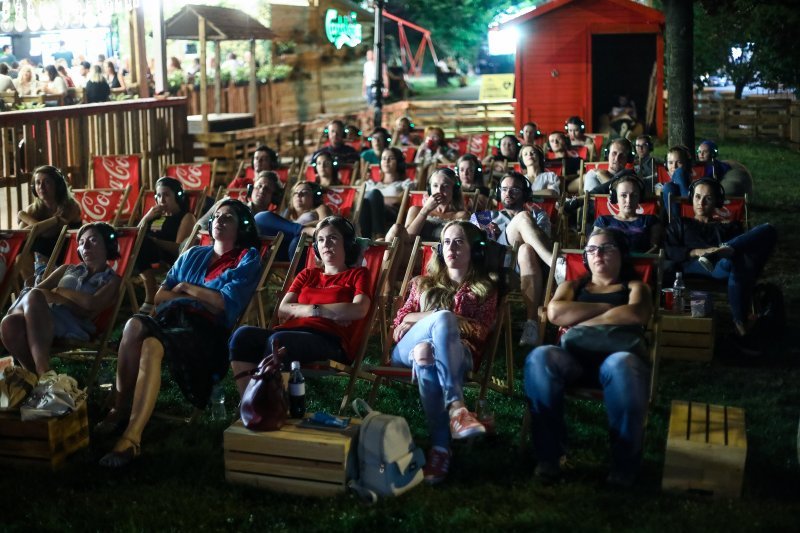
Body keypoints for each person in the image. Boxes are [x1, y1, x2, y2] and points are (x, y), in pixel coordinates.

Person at [98, 200, 261, 467]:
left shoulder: (247, 258)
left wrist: (186, 287)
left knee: (151, 345)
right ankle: (120, 407)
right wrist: (202, 295)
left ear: (241, 227)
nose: (218, 221)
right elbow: (160, 295)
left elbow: (223, 304)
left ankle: (131, 438)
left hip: (205, 332)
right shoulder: (193, 253)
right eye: (216, 216)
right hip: (172, 318)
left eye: (227, 218)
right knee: (133, 325)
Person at [524, 227, 653, 486]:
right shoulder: (572, 285)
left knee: (622, 364)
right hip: (574, 359)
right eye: (592, 249)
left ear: (621, 254)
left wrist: (582, 318)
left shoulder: (635, 286)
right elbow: (556, 313)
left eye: (607, 248)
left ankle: (623, 464)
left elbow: (636, 314)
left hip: (619, 358)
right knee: (540, 357)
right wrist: (609, 308)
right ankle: (549, 457)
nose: (598, 254)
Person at [391, 220, 497, 484]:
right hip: (405, 350)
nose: (451, 247)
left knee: (426, 351)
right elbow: (399, 325)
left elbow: (481, 332)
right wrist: (442, 318)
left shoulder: (485, 289)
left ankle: (440, 449)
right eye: (446, 242)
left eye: (460, 241)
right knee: (443, 320)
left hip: (458, 354)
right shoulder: (422, 283)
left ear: (475, 250)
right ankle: (457, 408)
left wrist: (425, 319)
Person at [229, 216, 370, 394]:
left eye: (333, 238)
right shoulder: (307, 274)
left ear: (348, 244)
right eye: (320, 239)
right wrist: (326, 311)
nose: (325, 244)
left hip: (329, 340)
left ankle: (272, 407)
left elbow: (359, 309)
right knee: (242, 335)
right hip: (289, 332)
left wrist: (303, 310)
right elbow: (283, 307)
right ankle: (249, 403)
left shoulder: (358, 275)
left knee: (278, 342)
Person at [0, 223, 122, 375]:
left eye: (93, 240)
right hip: (43, 316)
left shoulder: (112, 280)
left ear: (108, 245)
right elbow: (37, 290)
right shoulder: (67, 269)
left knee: (28, 303)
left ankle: (42, 371)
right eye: (82, 243)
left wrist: (58, 292)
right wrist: (63, 299)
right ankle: (38, 376)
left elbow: (91, 304)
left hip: (74, 325)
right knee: (9, 323)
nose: (86, 246)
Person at [664, 178, 776, 340]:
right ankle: (741, 325)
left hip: (723, 266)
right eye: (697, 197)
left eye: (708, 198)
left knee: (768, 230)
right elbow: (670, 251)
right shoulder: (680, 223)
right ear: (691, 198)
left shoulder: (728, 226)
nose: (701, 202)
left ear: (717, 201)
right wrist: (698, 251)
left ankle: (720, 252)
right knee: (740, 264)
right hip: (692, 265)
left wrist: (724, 248)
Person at [471, 172, 553, 346]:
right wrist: (482, 232)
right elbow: (470, 241)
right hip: (497, 265)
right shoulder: (486, 217)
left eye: (514, 189)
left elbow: (545, 242)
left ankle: (531, 324)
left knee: (526, 249)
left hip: (527, 264)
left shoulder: (539, 215)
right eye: (504, 189)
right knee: (522, 218)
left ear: (525, 193)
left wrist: (528, 225)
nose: (508, 193)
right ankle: (556, 265)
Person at [134, 177, 196, 314]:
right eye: (159, 195)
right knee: (136, 242)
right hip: (148, 253)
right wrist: (146, 218)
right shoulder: (155, 216)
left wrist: (154, 242)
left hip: (169, 259)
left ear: (178, 197)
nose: (162, 200)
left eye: (166, 195)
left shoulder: (186, 217)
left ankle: (151, 293)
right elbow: (134, 238)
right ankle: (150, 290)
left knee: (143, 243)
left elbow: (179, 249)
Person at [17, 165, 82, 281]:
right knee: (20, 252)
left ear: (58, 186)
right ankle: (32, 287)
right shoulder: (32, 210)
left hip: (66, 253)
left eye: (46, 182)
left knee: (34, 245)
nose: (41, 187)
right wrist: (54, 220)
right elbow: (22, 234)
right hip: (41, 257)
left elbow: (49, 233)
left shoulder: (70, 206)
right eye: (37, 183)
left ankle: (40, 287)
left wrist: (23, 217)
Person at [254, 180, 330, 261]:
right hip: (282, 247)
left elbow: (326, 224)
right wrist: (296, 226)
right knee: (260, 217)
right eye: (295, 193)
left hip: (303, 246)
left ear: (313, 198)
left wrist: (296, 226)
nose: (299, 195)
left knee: (297, 241)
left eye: (305, 192)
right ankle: (305, 230)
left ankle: (304, 230)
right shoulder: (287, 214)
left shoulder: (319, 208)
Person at [593, 173, 662, 253]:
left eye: (634, 195)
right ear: (615, 198)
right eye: (623, 195)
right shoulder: (602, 221)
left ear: (640, 197)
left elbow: (655, 250)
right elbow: (595, 249)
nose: (629, 200)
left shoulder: (651, 221)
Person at [360, 147, 415, 239]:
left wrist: (376, 199)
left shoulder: (405, 184)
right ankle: (365, 239)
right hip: (369, 211)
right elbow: (357, 200)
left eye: (391, 158)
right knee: (365, 203)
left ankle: (379, 235)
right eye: (384, 158)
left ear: (399, 162)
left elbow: (399, 201)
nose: (386, 161)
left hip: (392, 213)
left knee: (373, 194)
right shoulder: (371, 183)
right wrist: (376, 200)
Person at [660, 145, 693, 220]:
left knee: (679, 171)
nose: (674, 166)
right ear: (665, 165)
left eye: (679, 162)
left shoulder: (695, 180)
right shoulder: (667, 185)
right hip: (674, 219)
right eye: (670, 162)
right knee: (668, 187)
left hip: (694, 211)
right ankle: (675, 223)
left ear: (686, 164)